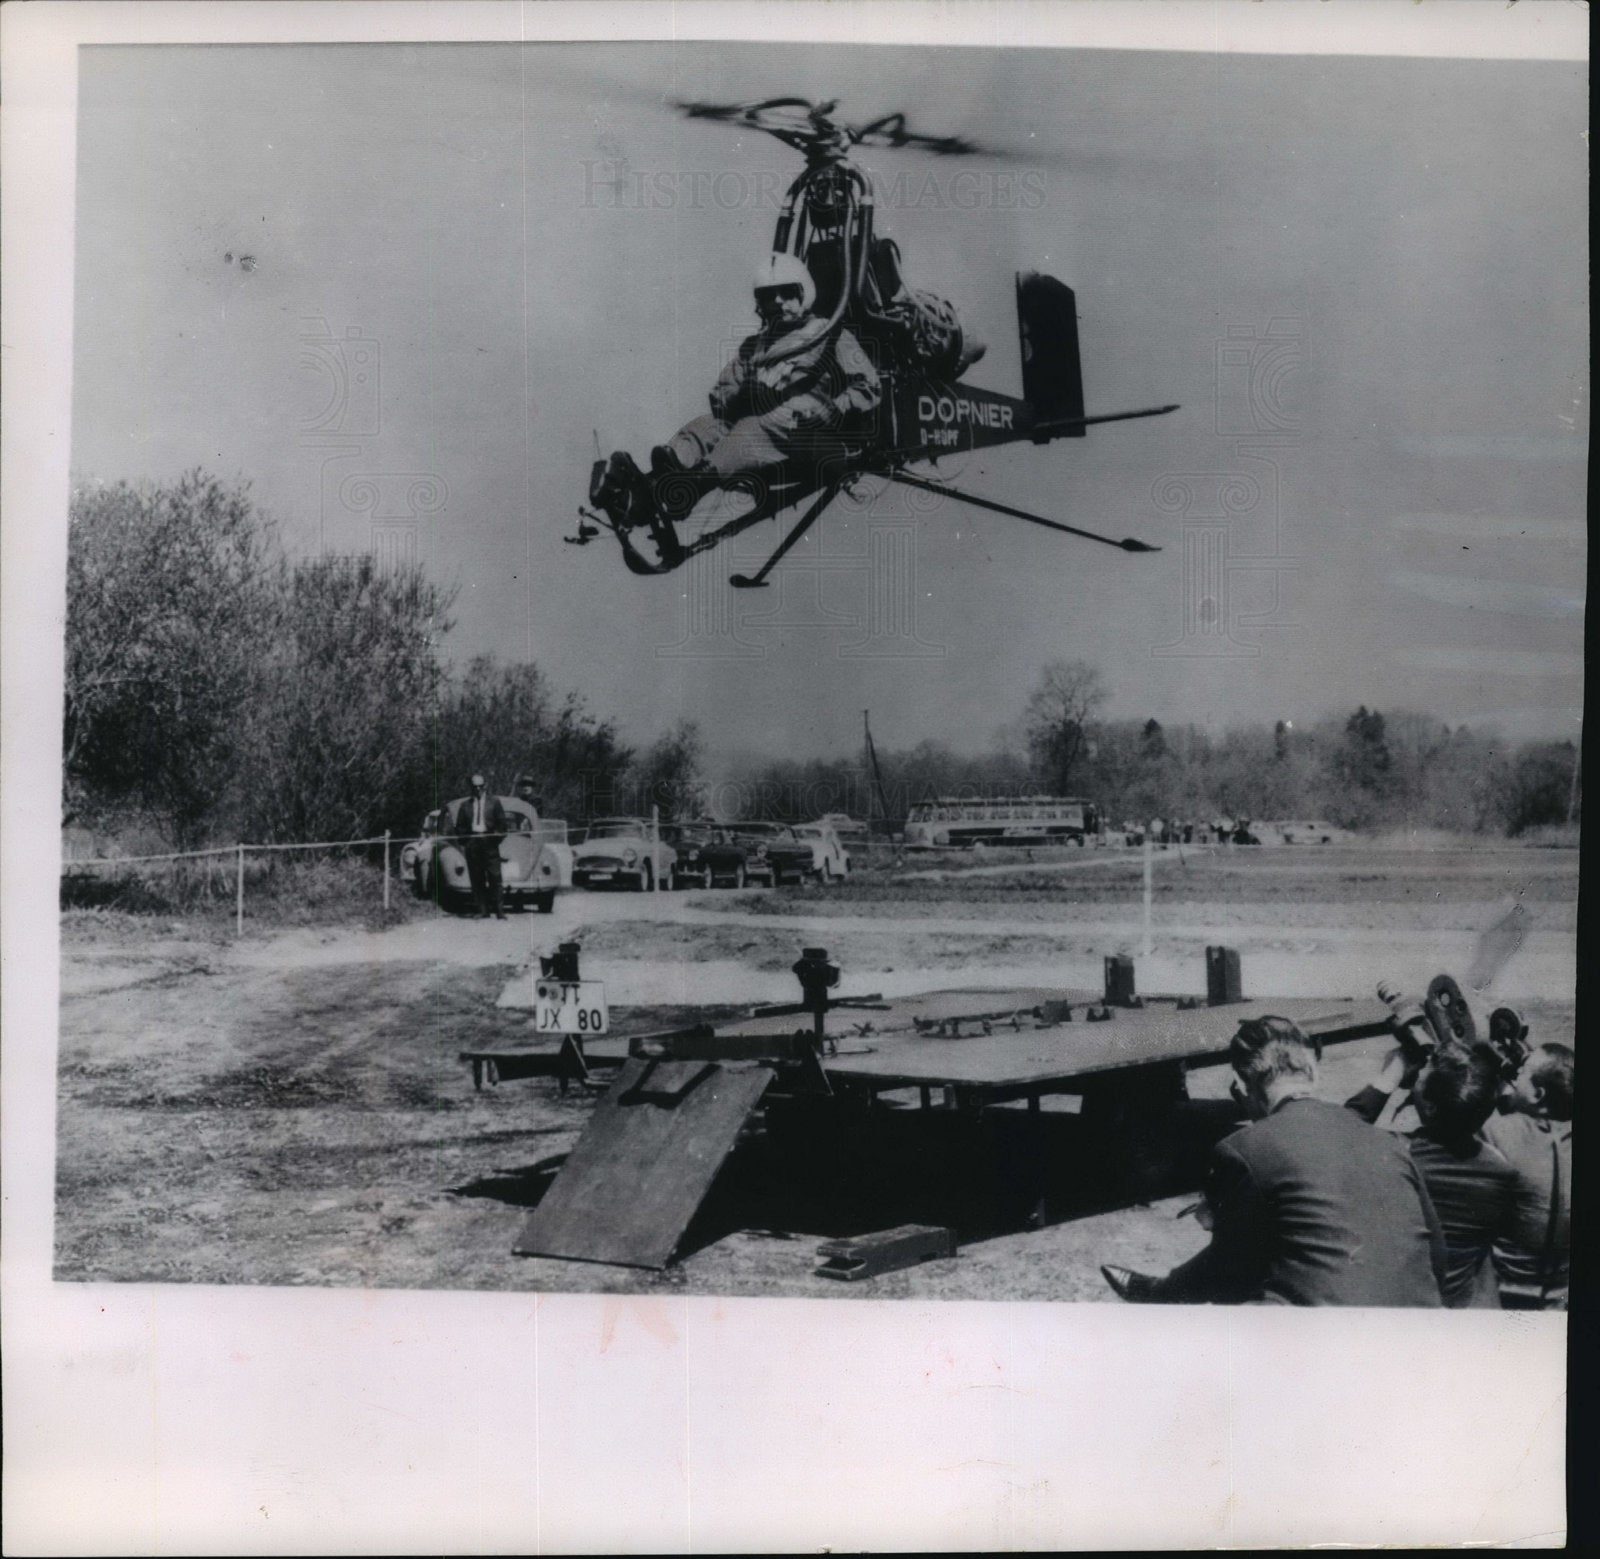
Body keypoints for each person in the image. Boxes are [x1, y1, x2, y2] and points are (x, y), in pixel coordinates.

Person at [1102, 1016, 1445, 1306]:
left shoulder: (1241, 1149)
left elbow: (1227, 1276)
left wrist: (1160, 1290)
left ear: (1240, 1085)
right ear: (1313, 1072)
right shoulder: (1391, 1143)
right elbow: (1438, 1256)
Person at [593, 253, 881, 531]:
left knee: (756, 425)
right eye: (769, 295)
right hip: (764, 437)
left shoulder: (831, 335)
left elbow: (869, 386)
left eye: (787, 292)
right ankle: (650, 484)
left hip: (813, 436)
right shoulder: (753, 347)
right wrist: (745, 393)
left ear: (803, 294)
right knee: (709, 425)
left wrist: (835, 407)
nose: (778, 301)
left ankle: (692, 487)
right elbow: (721, 396)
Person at [1347, 1041, 1519, 1307]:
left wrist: (1393, 1073)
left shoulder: (1393, 1154)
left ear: (1429, 1107)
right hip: (1456, 1301)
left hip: (1401, 1299)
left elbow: (1343, 1127)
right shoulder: (1501, 1171)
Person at [1482, 1043, 1572, 1309]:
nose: (1515, 1074)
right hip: (1562, 1291)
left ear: (1539, 1094)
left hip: (1508, 1288)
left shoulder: (1498, 1131)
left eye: (1521, 1072)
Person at [453, 773, 506, 920]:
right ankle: (482, 910)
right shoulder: (465, 806)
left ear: (485, 786)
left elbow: (503, 825)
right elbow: (460, 827)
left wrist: (495, 839)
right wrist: (467, 842)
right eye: (474, 787)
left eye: (480, 786)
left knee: (495, 877)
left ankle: (500, 910)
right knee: (477, 878)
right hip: (473, 843)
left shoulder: (494, 802)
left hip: (489, 842)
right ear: (471, 787)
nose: (478, 789)